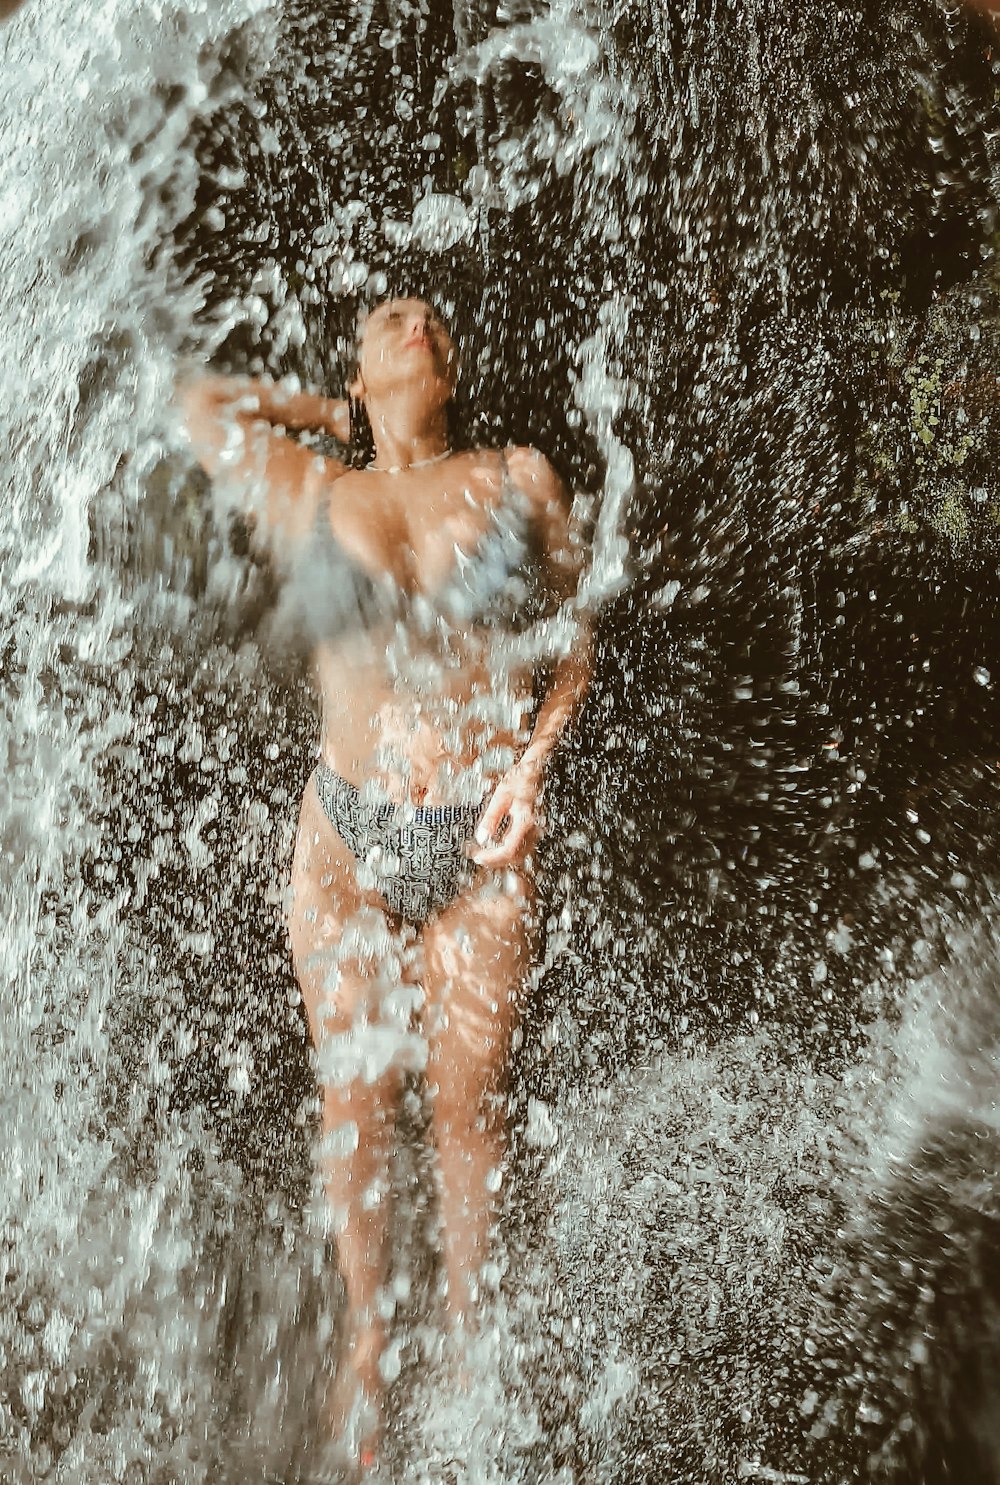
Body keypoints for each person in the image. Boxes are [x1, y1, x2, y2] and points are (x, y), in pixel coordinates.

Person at [178, 297, 592, 1472]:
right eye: (386, 315)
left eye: (432, 316)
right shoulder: (313, 487)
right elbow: (199, 403)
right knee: (354, 1103)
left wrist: (530, 769)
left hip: (478, 837)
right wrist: (330, 413)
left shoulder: (517, 475)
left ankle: (469, 1355)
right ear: (359, 370)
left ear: (454, 363)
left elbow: (579, 637)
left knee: (467, 1111)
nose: (416, 317)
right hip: (342, 841)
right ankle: (367, 1348)